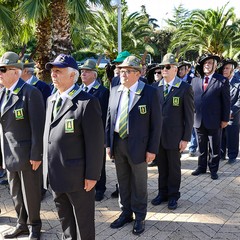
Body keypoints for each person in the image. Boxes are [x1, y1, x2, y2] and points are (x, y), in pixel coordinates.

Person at [43, 54, 104, 240]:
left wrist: (92, 175)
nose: (53, 74)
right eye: (52, 71)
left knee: (84, 223)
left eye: (58, 71)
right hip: (55, 174)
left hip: (78, 178)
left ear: (72, 76)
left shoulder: (86, 102)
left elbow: (95, 144)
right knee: (65, 221)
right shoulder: (51, 100)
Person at [106, 55, 162, 235]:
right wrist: (108, 144)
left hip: (139, 145)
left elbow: (156, 124)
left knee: (139, 183)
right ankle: (126, 212)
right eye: (122, 70)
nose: (123, 74)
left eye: (128, 71)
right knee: (122, 180)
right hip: (118, 142)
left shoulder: (150, 92)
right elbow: (109, 118)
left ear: (138, 74)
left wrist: (152, 149)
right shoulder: (114, 90)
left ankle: (139, 216)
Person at [0, 51, 45, 240]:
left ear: (16, 72)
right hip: (8, 153)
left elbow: (38, 128)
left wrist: (37, 155)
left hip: (27, 155)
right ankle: (21, 223)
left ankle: (34, 225)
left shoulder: (30, 93)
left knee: (31, 194)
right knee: (15, 192)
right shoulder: (2, 93)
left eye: (3, 69)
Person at [151, 53, 194, 210]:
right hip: (158, 136)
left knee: (174, 167)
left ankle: (173, 195)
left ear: (175, 69)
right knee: (161, 166)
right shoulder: (155, 87)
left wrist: (185, 138)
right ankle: (162, 193)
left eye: (168, 67)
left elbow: (189, 116)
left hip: (175, 136)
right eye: (162, 67)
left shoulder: (184, 88)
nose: (164, 69)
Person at [191, 53, 230, 180]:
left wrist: (225, 119)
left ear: (214, 65)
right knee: (201, 147)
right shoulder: (195, 80)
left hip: (215, 121)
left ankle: (213, 169)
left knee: (215, 147)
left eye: (210, 63)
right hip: (198, 120)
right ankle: (201, 167)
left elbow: (226, 102)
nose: (207, 65)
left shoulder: (222, 80)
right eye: (205, 63)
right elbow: (191, 101)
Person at [79, 59, 109, 201]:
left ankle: (100, 188)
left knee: (98, 162)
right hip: (81, 134)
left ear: (94, 75)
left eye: (87, 71)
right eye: (82, 71)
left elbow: (106, 116)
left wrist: (104, 137)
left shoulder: (103, 92)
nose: (83, 73)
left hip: (97, 134)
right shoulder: (78, 90)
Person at [218, 58, 240, 164]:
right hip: (221, 114)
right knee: (221, 135)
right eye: (223, 69)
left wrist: (231, 111)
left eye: (227, 68)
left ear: (232, 70)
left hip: (233, 116)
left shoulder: (238, 83)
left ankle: (232, 156)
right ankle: (222, 154)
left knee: (232, 136)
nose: (224, 71)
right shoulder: (220, 82)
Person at [177, 61, 198, 156]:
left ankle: (193, 147)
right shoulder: (175, 79)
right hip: (178, 108)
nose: (180, 71)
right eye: (179, 69)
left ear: (187, 69)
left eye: (182, 69)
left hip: (190, 106)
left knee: (192, 127)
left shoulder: (193, 79)